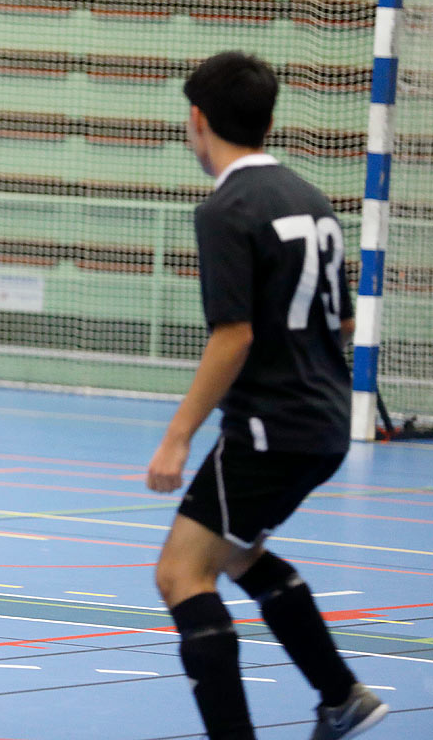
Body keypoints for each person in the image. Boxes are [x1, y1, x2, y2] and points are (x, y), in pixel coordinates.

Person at [145, 52, 388, 740]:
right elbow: (341, 320)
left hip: (268, 429)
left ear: (197, 120)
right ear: (269, 119)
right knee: (238, 551)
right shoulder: (311, 198)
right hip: (326, 422)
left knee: (180, 574)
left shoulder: (227, 208)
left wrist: (178, 436)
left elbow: (234, 336)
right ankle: (341, 694)